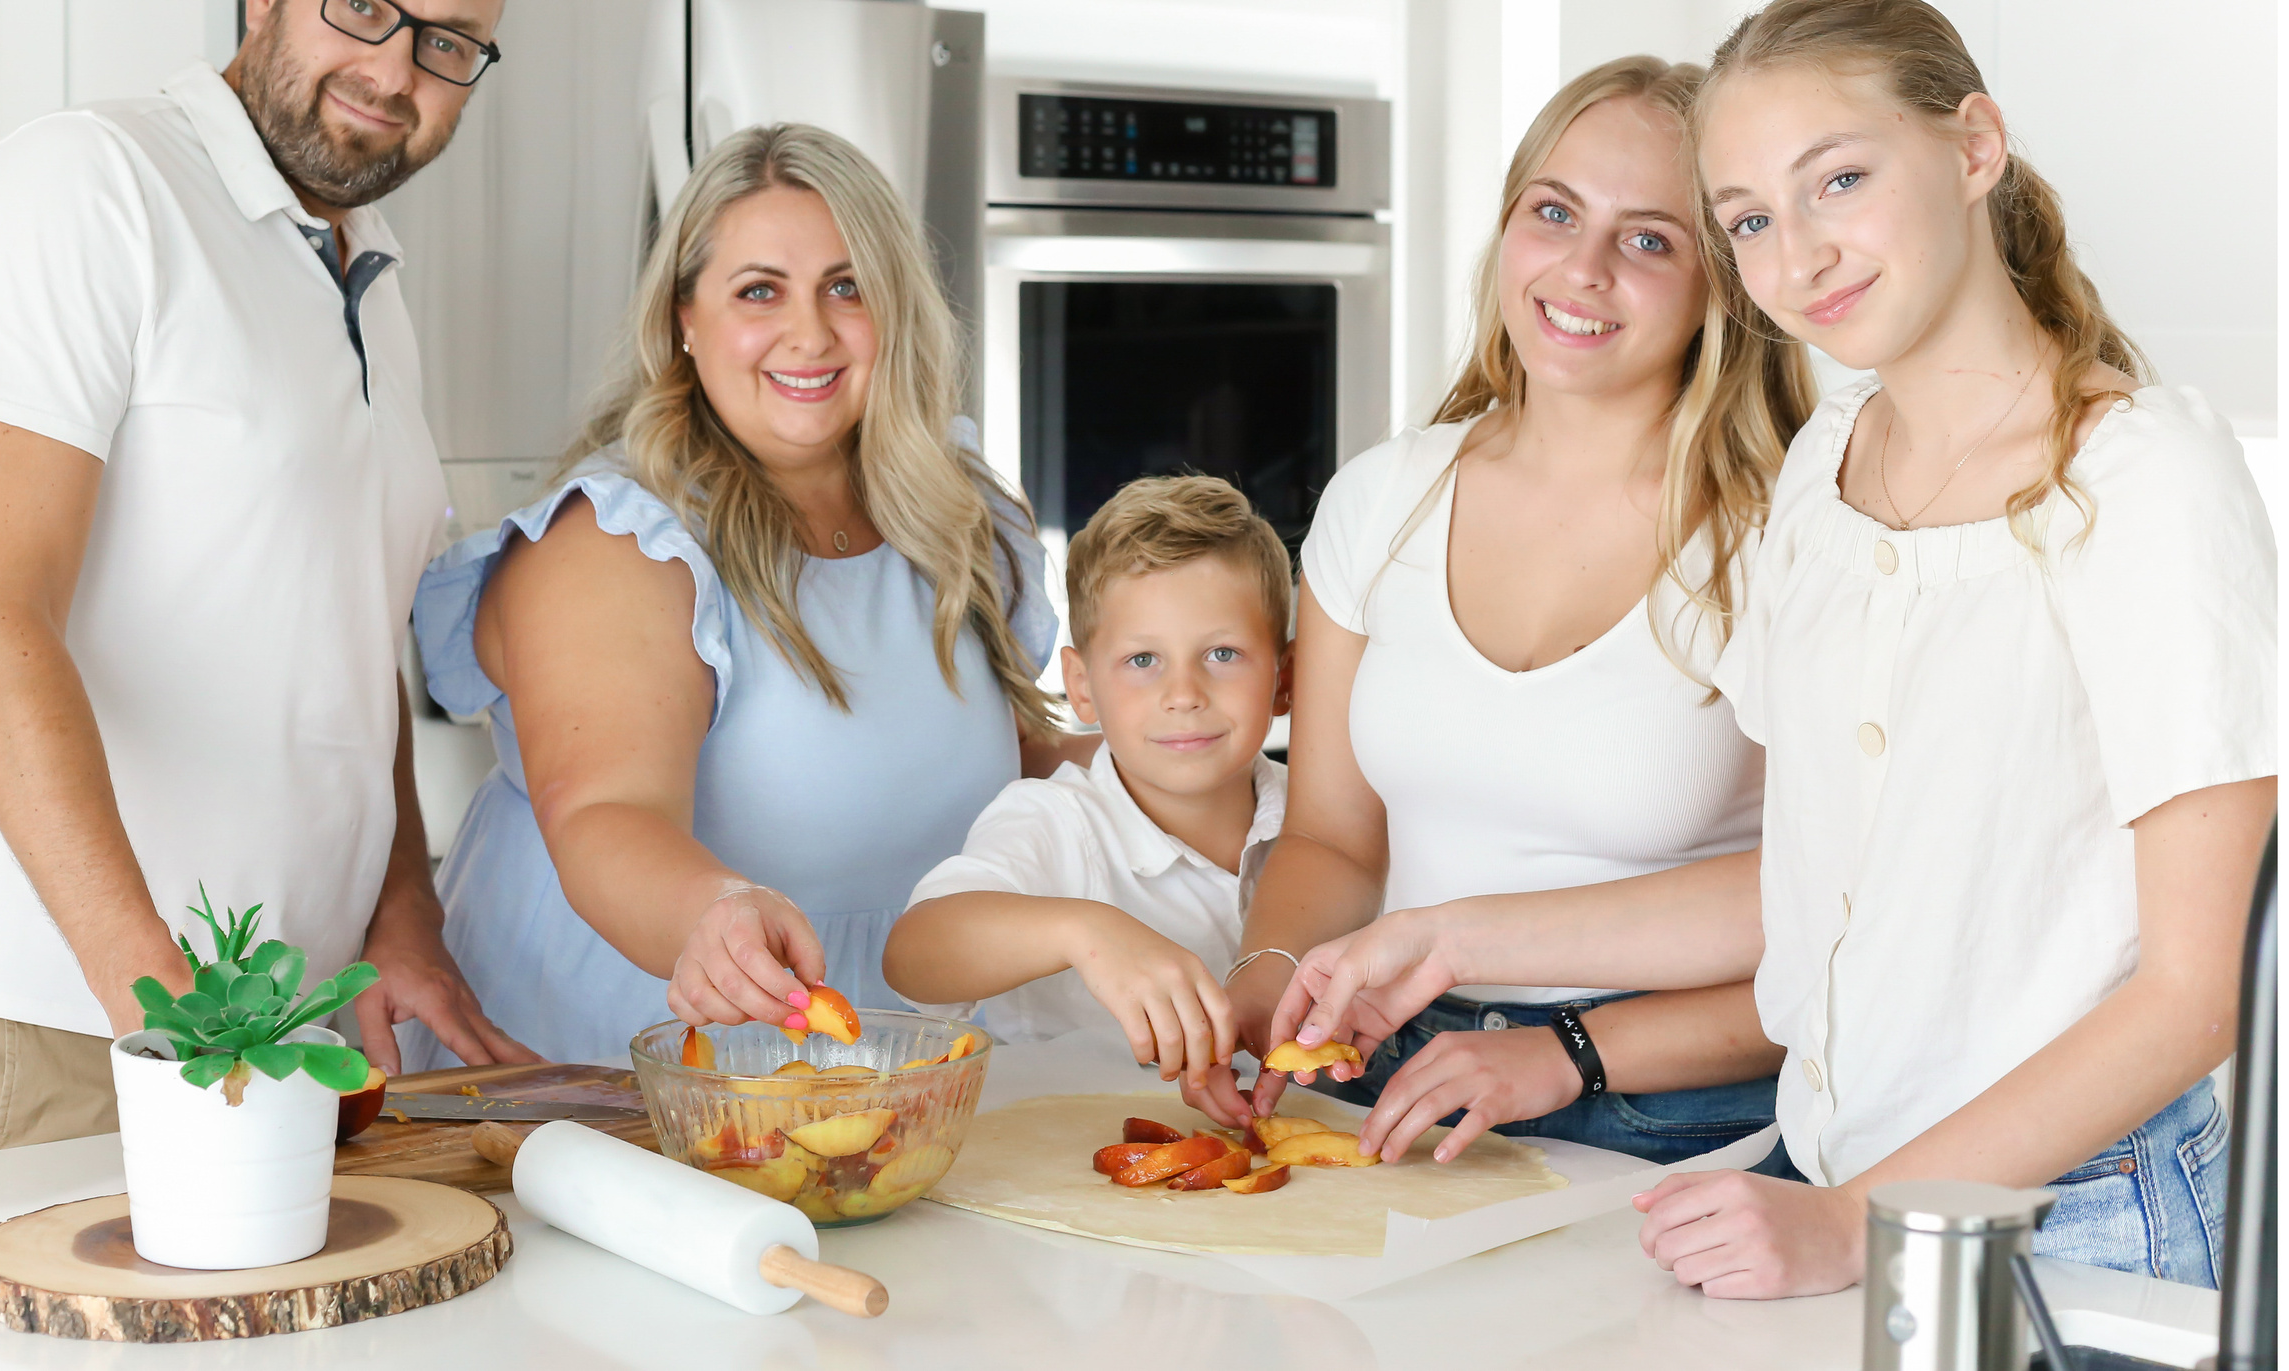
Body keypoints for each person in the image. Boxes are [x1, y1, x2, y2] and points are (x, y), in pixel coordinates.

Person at [1271, 0, 2276, 1295]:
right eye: (1748, 216)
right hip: (1828, 1163)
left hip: (2073, 1211)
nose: (1797, 253)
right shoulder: (1823, 471)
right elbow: (1797, 893)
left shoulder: (2143, 474)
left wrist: (1859, 1217)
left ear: (1975, 148)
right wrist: (1453, 938)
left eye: (1838, 179)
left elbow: (2197, 993)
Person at [0, 0, 540, 1157]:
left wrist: (398, 913)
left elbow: (347, 652)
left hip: (284, 1021)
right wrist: (158, 1005)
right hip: (79, 1023)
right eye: (361, 3)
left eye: (450, 42)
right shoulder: (88, 188)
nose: (396, 67)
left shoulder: (368, 276)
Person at [1180, 56, 1813, 1166]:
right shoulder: (1384, 498)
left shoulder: (1786, 539)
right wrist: (1266, 987)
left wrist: (1565, 1050)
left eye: (1650, 238)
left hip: (1672, 1113)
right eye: (1553, 211)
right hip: (1391, 1079)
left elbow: (1835, 916)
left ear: (1724, 282)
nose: (1583, 268)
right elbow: (1332, 839)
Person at [409, 122, 1089, 1068]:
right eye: (758, 290)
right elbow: (607, 816)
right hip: (621, 1076)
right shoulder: (617, 539)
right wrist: (716, 913)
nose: (809, 331)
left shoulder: (955, 508)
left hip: (895, 1070)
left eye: (845, 287)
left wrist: (1193, 764)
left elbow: (996, 759)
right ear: (685, 319)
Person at [885, 475, 1295, 1079]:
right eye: (1142, 660)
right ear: (1081, 687)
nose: (1184, 695)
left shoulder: (1321, 829)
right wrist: (1087, 931)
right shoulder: (1052, 820)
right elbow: (912, 957)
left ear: (1283, 679)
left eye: (1222, 654)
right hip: (1059, 1158)